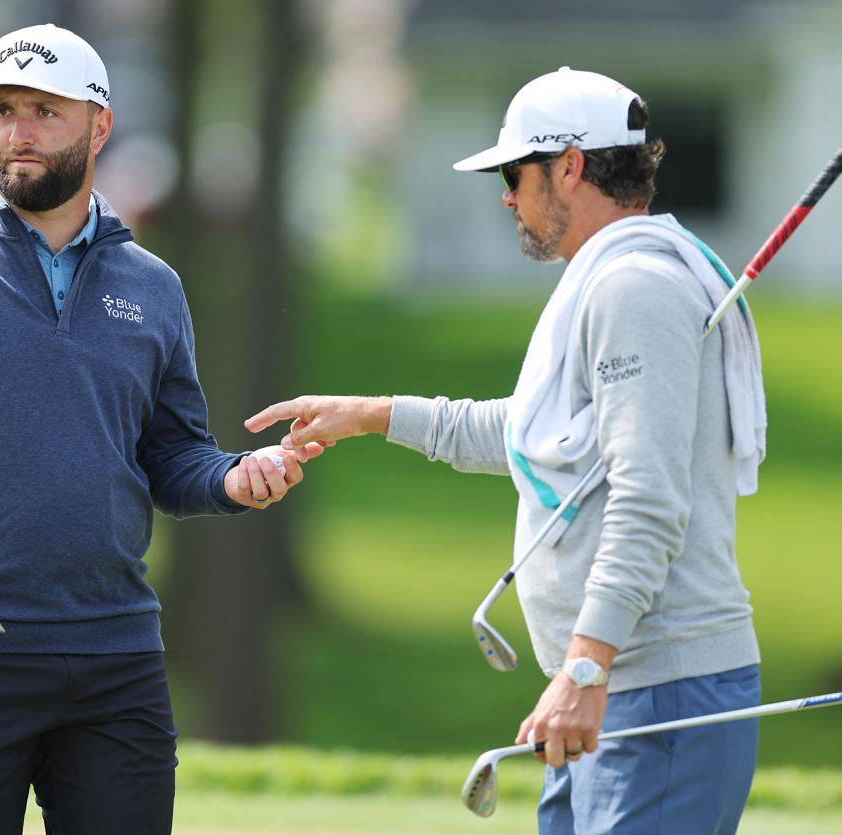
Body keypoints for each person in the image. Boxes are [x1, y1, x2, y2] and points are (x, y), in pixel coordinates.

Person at [0, 23, 320, 835]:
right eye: (3, 110)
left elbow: (170, 453)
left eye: (45, 111)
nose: (18, 131)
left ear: (99, 125)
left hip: (114, 654)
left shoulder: (151, 287)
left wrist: (229, 477)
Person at [247, 67, 765, 835]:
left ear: (570, 166)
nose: (505, 195)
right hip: (610, 687)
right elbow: (533, 435)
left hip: (655, 689)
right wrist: (370, 415)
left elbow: (647, 496)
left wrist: (585, 666)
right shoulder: (606, 278)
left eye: (514, 173)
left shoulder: (635, 288)